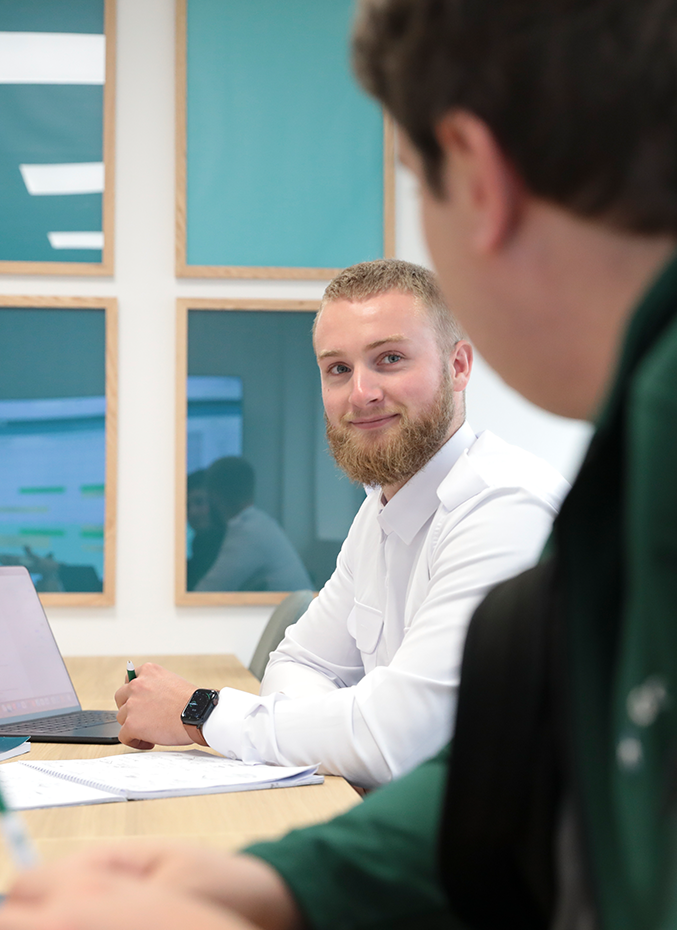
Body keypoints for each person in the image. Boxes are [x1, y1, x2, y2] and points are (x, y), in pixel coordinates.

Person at [0, 0, 677, 927]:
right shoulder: (622, 460)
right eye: (337, 369)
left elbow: (403, 739)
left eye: (418, 184)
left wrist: (214, 716)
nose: (361, 392)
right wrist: (276, 883)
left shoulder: (559, 486)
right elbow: (524, 777)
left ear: (474, 174)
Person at [113, 259, 567, 788]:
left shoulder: (504, 507)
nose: (360, 393)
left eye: (390, 358)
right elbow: (298, 662)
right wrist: (350, 727)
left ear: (459, 365)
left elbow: (392, 742)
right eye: (338, 369)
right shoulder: (378, 513)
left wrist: (201, 712)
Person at [192, 456, 312, 592]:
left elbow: (206, 593)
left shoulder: (247, 533)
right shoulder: (260, 523)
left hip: (295, 613)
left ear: (213, 496)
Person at [186, 468, 227, 591]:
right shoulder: (199, 542)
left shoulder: (230, 543)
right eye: (187, 505)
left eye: (199, 502)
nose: (192, 512)